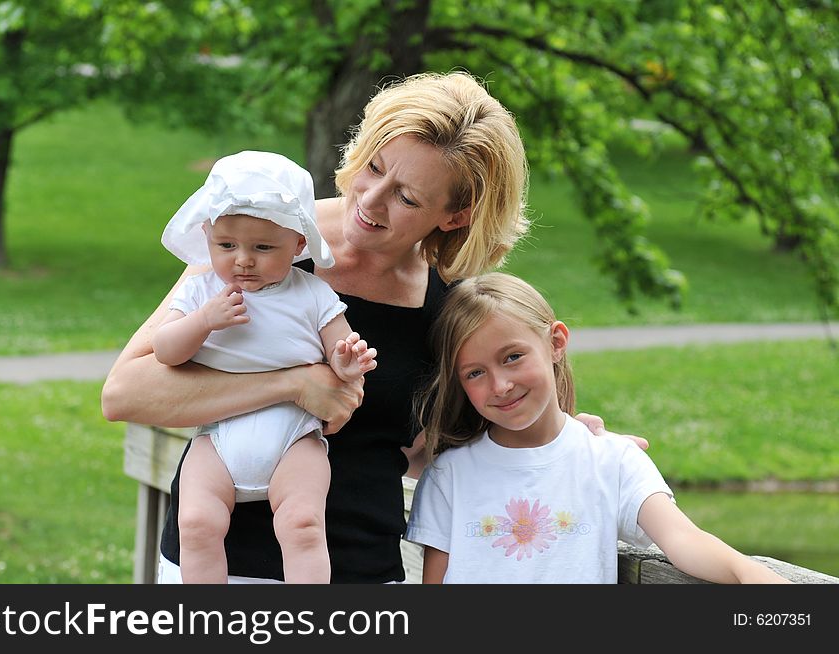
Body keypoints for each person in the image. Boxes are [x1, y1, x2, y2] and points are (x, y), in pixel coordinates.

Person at [102, 71, 628, 583]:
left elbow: (432, 448)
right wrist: (292, 385)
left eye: (407, 197)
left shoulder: (448, 305)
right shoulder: (265, 238)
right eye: (374, 167)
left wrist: (554, 439)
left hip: (362, 573)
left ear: (456, 215)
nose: (370, 200)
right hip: (215, 564)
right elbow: (125, 394)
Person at [405, 272, 790, 584]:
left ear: (556, 343)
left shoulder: (613, 461)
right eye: (475, 373)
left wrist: (748, 572)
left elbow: (682, 538)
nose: (500, 385)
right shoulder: (449, 475)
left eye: (513, 357)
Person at [151, 151, 376, 583]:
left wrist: (349, 364)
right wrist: (203, 322)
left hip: (294, 439)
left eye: (263, 247)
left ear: (298, 245)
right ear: (206, 235)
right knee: (196, 523)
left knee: (303, 524)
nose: (243, 260)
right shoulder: (203, 291)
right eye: (226, 245)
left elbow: (341, 355)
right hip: (217, 437)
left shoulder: (311, 294)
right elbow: (165, 350)